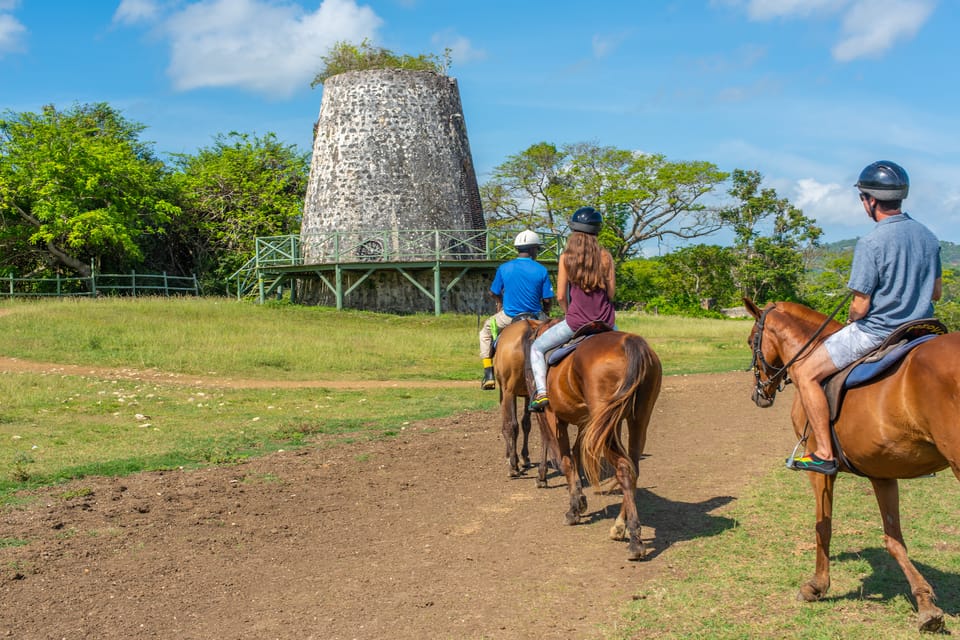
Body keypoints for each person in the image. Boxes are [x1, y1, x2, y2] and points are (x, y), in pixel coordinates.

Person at [790, 160, 942, 475]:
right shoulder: (928, 237)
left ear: (870, 200)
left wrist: (851, 318)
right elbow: (936, 294)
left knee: (804, 372)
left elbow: (860, 306)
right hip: (923, 330)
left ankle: (823, 453)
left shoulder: (871, 242)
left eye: (863, 198)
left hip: (879, 331)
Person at [527, 206, 616, 411]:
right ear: (597, 231)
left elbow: (559, 295)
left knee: (537, 348)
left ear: (574, 230)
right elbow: (611, 294)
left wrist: (569, 312)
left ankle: (541, 393)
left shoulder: (566, 258)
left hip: (577, 322)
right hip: (606, 322)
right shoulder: (606, 257)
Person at [478, 229, 555, 390]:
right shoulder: (541, 270)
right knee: (554, 337)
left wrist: (500, 303)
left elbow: (493, 292)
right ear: (533, 249)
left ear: (517, 249)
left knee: (485, 332)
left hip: (509, 315)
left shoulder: (504, 268)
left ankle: (488, 373)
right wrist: (546, 313)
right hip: (535, 316)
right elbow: (547, 299)